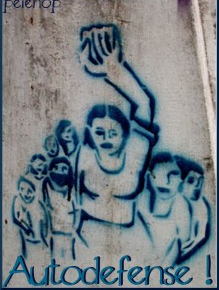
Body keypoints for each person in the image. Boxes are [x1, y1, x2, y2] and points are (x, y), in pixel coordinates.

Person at [76, 24, 158, 247]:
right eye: (99, 132)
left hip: (131, 241)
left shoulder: (136, 151)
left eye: (113, 133)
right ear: (89, 133)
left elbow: (144, 104)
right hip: (85, 237)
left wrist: (114, 69)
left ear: (125, 134)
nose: (106, 138)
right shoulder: (83, 154)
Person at [137, 152, 191, 266]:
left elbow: (184, 242)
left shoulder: (181, 207)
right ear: (149, 176)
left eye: (173, 175)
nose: (165, 181)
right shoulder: (138, 204)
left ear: (182, 180)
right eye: (159, 174)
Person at [175, 156, 211, 262]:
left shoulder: (201, 206)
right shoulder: (174, 202)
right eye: (191, 181)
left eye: (200, 182)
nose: (197, 186)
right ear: (180, 183)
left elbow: (200, 236)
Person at [42, 157, 77, 260]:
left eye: (63, 169)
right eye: (56, 168)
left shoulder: (70, 190)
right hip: (54, 232)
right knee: (55, 259)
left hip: (69, 233)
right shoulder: (47, 185)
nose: (59, 171)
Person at [12, 176, 48, 258]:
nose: (25, 194)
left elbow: (43, 224)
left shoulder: (38, 205)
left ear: (35, 192)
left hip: (39, 242)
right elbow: (15, 219)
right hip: (27, 240)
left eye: (29, 191)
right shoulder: (18, 201)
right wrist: (26, 229)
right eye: (22, 189)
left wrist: (44, 239)